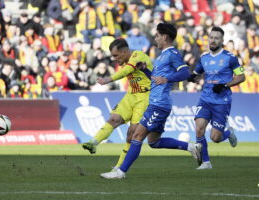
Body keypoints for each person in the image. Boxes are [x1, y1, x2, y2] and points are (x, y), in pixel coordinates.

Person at [100, 23, 202, 179]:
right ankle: (191, 147)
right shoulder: (162, 56)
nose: (155, 39)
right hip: (156, 102)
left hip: (159, 103)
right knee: (154, 142)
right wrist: (145, 70)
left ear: (165, 37)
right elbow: (155, 79)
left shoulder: (172, 54)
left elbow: (184, 72)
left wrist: (167, 78)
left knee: (137, 136)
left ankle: (120, 172)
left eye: (157, 36)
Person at [82, 38, 153, 171]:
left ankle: (119, 166)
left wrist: (108, 79)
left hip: (144, 97)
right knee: (114, 118)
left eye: (116, 55)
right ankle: (93, 143)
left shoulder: (138, 56)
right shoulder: (126, 59)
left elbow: (126, 71)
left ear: (125, 52)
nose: (114, 59)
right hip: (131, 95)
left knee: (131, 134)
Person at [186, 26, 246, 170]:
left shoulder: (230, 58)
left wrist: (225, 85)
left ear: (221, 40)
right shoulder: (204, 57)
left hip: (222, 101)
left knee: (216, 138)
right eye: (211, 37)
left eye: (216, 38)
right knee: (199, 129)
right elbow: (198, 71)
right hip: (205, 99)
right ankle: (206, 162)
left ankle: (229, 132)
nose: (213, 40)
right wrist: (193, 76)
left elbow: (241, 76)